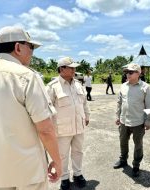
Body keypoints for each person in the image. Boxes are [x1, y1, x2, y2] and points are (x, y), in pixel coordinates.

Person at [0, 26, 62, 190]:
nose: (32, 52)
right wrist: (57, 161)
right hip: (28, 170)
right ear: (18, 47)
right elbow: (45, 129)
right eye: (30, 47)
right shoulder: (26, 76)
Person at [46, 57, 90, 190]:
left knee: (78, 151)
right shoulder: (52, 87)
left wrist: (87, 116)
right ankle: (64, 178)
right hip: (62, 128)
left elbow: (84, 103)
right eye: (71, 68)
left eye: (74, 67)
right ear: (62, 69)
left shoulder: (78, 84)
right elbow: (47, 109)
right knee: (62, 155)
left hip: (79, 125)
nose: (74, 70)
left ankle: (78, 174)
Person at [114, 63, 150, 177]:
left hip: (138, 122)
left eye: (130, 72)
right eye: (126, 72)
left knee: (138, 145)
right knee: (123, 142)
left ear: (138, 73)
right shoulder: (123, 86)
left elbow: (149, 106)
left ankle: (136, 165)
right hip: (124, 121)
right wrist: (118, 116)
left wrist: (148, 120)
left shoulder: (145, 87)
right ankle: (123, 160)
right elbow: (119, 102)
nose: (127, 74)